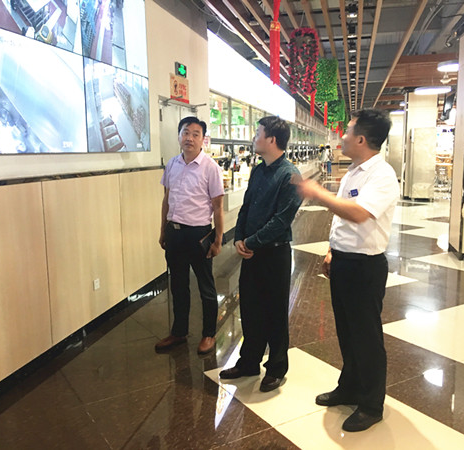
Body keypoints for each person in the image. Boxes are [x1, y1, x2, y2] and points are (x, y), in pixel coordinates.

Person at [297, 109, 399, 432]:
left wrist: (318, 194)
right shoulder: (353, 172)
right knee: (347, 331)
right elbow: (341, 220)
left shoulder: (381, 175)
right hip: (343, 262)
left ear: (361, 139)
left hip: (365, 267)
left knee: (366, 336)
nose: (342, 136)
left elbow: (357, 213)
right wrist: (331, 250)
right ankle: (350, 386)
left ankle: (371, 404)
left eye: (348, 130)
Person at [219, 116, 302, 392]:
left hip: (274, 255)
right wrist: (239, 238)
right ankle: (249, 362)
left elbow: (281, 220)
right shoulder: (258, 171)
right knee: (250, 309)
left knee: (275, 311)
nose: (254, 138)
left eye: (258, 133)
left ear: (272, 140)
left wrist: (251, 242)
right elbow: (246, 207)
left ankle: (277, 367)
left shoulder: (289, 175)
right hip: (251, 253)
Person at [156, 116, 224, 355]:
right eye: (186, 132)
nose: (190, 138)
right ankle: (179, 332)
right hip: (174, 233)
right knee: (178, 285)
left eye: (196, 134)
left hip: (198, 235)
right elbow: (167, 199)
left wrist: (218, 240)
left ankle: (209, 334)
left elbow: (218, 207)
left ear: (203, 139)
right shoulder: (172, 164)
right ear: (179, 136)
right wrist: (163, 229)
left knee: (206, 287)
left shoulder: (210, 167)